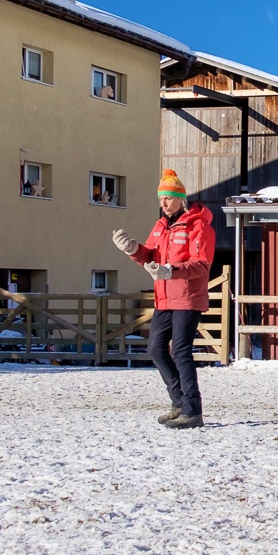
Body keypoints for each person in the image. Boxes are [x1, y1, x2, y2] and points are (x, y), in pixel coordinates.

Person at [111, 169, 215, 429]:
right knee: (155, 349)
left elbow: (201, 264)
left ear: (181, 198)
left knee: (180, 352)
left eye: (168, 198)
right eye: (161, 198)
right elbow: (150, 256)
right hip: (164, 298)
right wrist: (133, 249)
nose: (164, 203)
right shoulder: (161, 226)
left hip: (188, 298)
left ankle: (193, 410)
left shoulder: (199, 226)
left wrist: (172, 270)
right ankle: (179, 402)